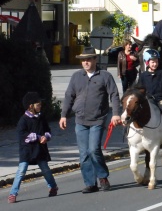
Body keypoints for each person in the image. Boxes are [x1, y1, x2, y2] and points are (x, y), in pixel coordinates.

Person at [60, 47, 121, 193]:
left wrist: (116, 113)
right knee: (84, 154)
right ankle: (90, 183)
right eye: (83, 60)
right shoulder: (76, 76)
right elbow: (69, 96)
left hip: (98, 119)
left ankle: (102, 177)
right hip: (80, 119)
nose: (85, 62)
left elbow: (114, 95)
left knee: (94, 150)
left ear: (95, 60)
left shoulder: (105, 76)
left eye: (88, 59)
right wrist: (63, 115)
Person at [8, 92, 58, 204]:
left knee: (45, 169)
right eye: (38, 104)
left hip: (40, 150)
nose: (40, 106)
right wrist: (38, 137)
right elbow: (22, 135)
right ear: (31, 106)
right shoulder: (23, 120)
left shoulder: (41, 118)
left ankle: (53, 186)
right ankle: (13, 193)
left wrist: (46, 137)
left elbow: (48, 130)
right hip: (26, 150)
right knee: (21, 171)